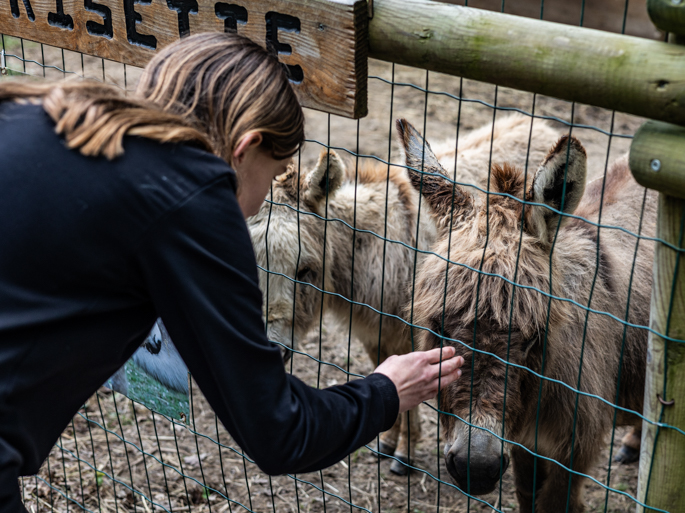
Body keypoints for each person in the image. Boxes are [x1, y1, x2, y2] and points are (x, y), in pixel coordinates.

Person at [0, 33, 463, 513]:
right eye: (274, 171)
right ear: (245, 147)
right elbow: (278, 431)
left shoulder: (36, 111)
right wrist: (385, 391)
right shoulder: (191, 198)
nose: (262, 198)